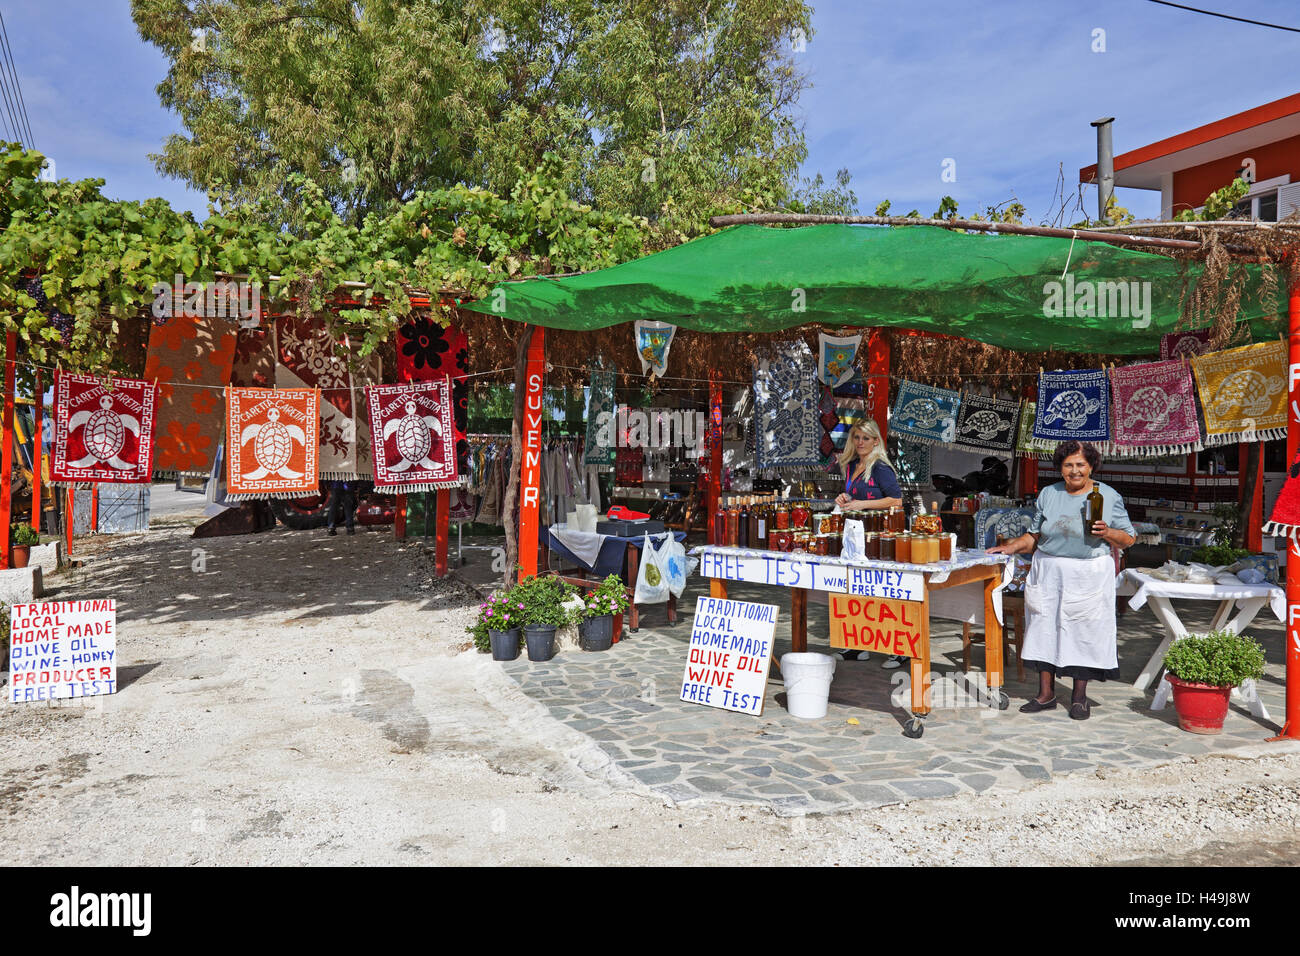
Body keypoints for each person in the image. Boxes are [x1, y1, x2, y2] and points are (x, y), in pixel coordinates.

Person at [987, 440, 1136, 720]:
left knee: (1083, 631)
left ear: (1091, 466)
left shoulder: (1107, 495)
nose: (1075, 471)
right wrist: (1010, 547)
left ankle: (1079, 698)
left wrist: (1106, 533)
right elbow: (1034, 536)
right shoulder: (1048, 493)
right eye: (1068, 465)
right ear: (1060, 468)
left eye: (1081, 464)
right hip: (1048, 570)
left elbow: (1128, 538)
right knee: (1044, 626)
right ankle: (1046, 695)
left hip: (1087, 572)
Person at [834, 420, 905, 665]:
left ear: (876, 441)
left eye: (866, 438)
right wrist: (845, 497)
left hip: (879, 535)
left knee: (883, 591)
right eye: (857, 437)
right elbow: (857, 496)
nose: (860, 442)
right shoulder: (852, 465)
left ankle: (899, 649)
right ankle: (857, 646)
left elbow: (896, 501)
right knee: (856, 590)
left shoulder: (881, 467)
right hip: (857, 534)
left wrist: (861, 504)